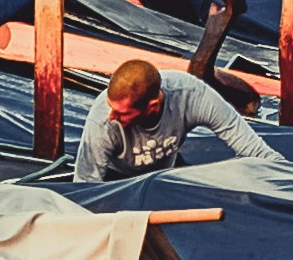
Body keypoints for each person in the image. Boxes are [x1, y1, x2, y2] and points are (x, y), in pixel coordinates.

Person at [72, 51, 248, 184]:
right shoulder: (102, 119)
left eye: (122, 113)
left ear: (152, 107)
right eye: (111, 107)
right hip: (115, 181)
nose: (112, 117)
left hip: (163, 177)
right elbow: (86, 185)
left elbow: (252, 148)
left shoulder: (190, 95)